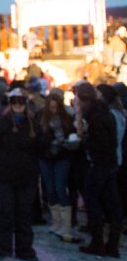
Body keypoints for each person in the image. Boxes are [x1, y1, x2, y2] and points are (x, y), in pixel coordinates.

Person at [0, 87, 44, 261]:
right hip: (4, 175)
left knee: (24, 215)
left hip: (27, 176)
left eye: (21, 101)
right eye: (15, 101)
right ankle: (2, 249)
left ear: (26, 103)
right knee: (4, 213)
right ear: (10, 103)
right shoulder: (1, 123)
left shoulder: (33, 124)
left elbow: (41, 148)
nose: (18, 105)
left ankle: (24, 250)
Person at [76, 82, 122, 257]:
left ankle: (99, 243)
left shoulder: (97, 115)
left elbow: (100, 142)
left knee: (94, 202)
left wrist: (84, 141)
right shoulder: (103, 112)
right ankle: (111, 244)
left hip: (100, 164)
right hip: (108, 163)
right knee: (111, 203)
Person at [36, 88, 79, 243]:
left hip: (62, 156)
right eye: (51, 107)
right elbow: (38, 138)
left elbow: (72, 135)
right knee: (50, 187)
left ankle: (65, 224)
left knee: (60, 187)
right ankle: (57, 221)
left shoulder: (66, 117)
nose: (53, 110)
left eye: (56, 107)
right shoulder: (41, 118)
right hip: (46, 156)